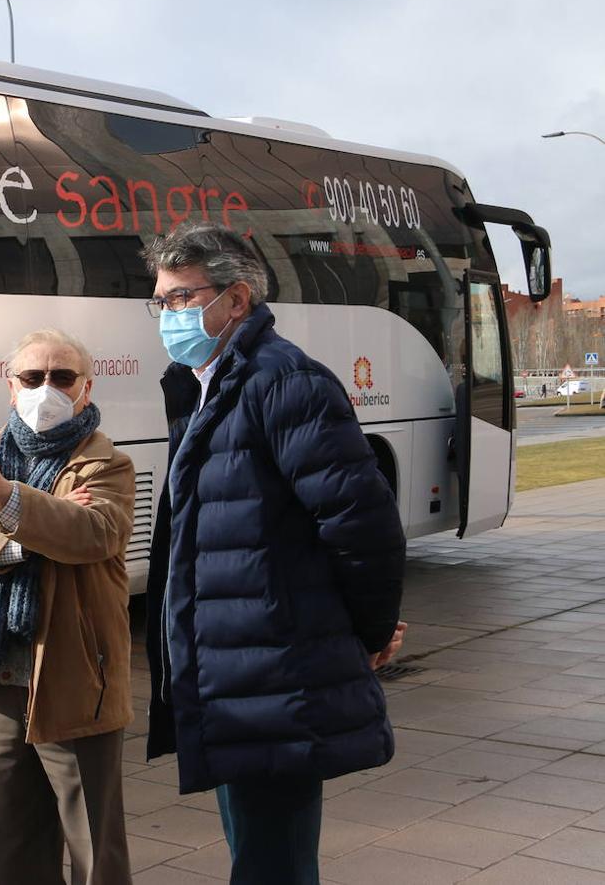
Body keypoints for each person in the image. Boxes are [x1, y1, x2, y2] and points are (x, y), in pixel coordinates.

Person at [142, 222, 407, 884]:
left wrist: (369, 633)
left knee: (273, 867)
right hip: (233, 677)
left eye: (180, 298)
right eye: (161, 301)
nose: (168, 314)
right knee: (259, 858)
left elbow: (364, 527)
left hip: (276, 679)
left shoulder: (286, 383)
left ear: (235, 300)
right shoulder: (204, 386)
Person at [0, 328, 136, 885]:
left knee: (93, 843)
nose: (47, 388)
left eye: (62, 377)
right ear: (11, 386)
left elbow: (93, 534)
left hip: (77, 675)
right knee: (15, 838)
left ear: (86, 388)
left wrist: (4, 501)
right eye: (33, 377)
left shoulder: (106, 463)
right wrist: (21, 537)